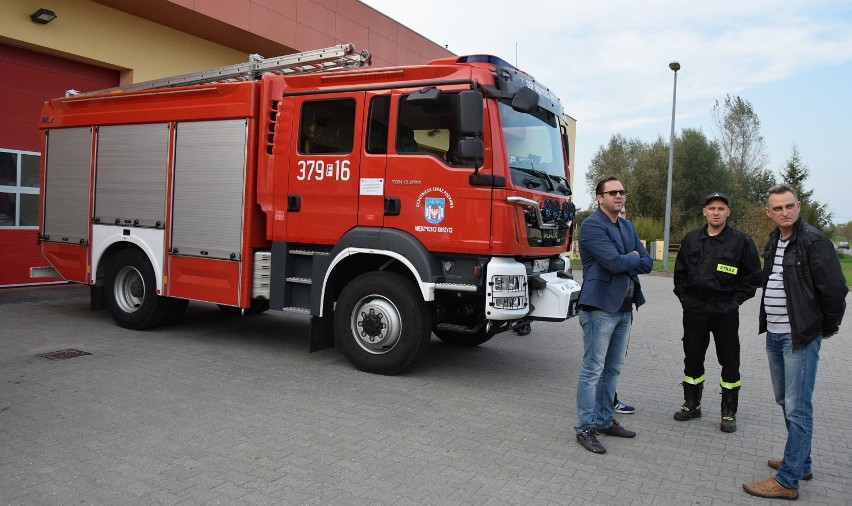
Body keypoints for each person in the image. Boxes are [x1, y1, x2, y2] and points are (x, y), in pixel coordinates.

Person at [743, 185, 847, 500]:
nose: (785, 212)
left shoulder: (815, 242)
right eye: (778, 208)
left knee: (798, 407)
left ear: (798, 206)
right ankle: (802, 462)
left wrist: (825, 328)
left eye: (789, 206)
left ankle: (788, 480)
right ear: (769, 213)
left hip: (799, 336)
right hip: (774, 333)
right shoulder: (776, 240)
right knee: (785, 401)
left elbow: (835, 290)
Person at [574, 177, 652, 454]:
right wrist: (630, 256)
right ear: (599, 198)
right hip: (599, 309)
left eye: (622, 191)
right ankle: (585, 427)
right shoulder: (592, 225)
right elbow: (614, 262)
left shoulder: (627, 225)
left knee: (613, 368)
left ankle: (604, 420)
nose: (619, 196)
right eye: (613, 192)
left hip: (624, 308)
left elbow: (648, 262)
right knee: (593, 370)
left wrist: (628, 257)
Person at [672, 192, 761, 433]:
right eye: (711, 208)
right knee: (692, 357)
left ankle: (728, 411)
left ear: (728, 212)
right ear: (704, 211)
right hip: (695, 310)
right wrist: (685, 299)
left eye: (721, 208)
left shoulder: (741, 241)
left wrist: (735, 302)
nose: (716, 212)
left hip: (725, 311)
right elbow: (679, 274)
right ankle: (692, 404)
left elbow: (752, 277)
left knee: (729, 361)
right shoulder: (691, 239)